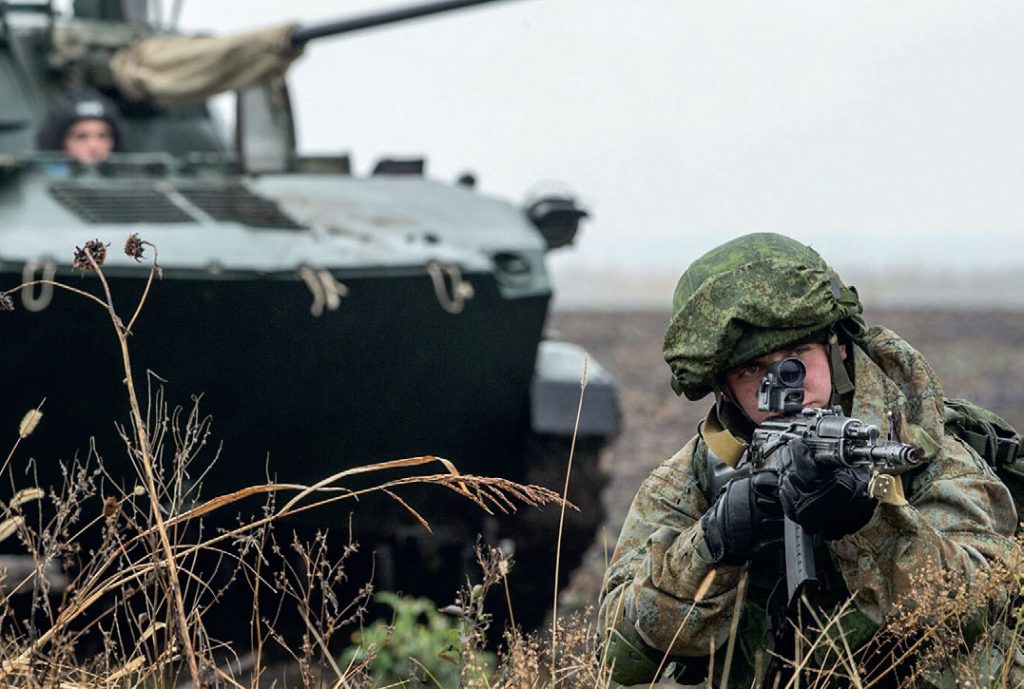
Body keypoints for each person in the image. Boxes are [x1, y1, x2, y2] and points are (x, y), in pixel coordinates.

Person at [598, 233, 1022, 688]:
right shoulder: (696, 477)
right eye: (751, 369)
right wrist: (713, 545)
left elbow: (984, 606)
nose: (782, 382)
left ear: (838, 348)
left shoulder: (926, 446)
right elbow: (619, 657)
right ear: (725, 389)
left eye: (797, 355)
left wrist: (869, 523)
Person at [35, 89, 124, 163]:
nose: (94, 146)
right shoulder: (38, 178)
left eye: (102, 136)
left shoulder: (127, 178)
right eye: (81, 137)